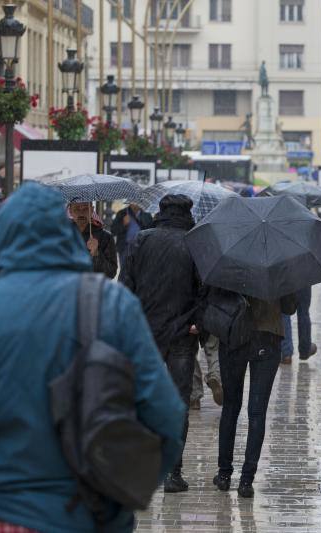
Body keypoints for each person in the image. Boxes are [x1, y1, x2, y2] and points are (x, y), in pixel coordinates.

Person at [0, 182, 185, 531]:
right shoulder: (111, 307)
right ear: (63, 236)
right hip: (86, 516)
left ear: (2, 242)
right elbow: (166, 418)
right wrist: (119, 496)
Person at [121, 194, 202, 493]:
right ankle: (173, 473)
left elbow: (124, 287)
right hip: (182, 333)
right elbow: (204, 289)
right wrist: (197, 323)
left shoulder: (141, 240)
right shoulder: (195, 242)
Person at [213, 292, 298, 498]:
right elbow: (289, 307)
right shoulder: (279, 263)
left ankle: (224, 475)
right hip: (267, 335)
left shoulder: (229, 261)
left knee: (231, 407)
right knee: (257, 412)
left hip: (234, 334)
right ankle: (246, 480)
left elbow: (215, 298)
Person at [69, 202, 117, 279]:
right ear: (70, 211)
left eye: (85, 208)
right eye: (77, 209)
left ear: (92, 210)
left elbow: (111, 273)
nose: (81, 213)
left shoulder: (105, 237)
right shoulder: (61, 236)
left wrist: (96, 254)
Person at [111, 203, 153, 276]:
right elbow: (113, 230)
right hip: (125, 248)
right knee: (124, 273)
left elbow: (151, 231)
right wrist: (123, 224)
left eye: (138, 201)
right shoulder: (122, 213)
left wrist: (141, 220)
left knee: (139, 273)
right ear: (130, 202)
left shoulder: (146, 215)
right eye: (134, 201)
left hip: (141, 248)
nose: (136, 203)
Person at [280, 286, 316, 364]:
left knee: (284, 312)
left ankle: (286, 353)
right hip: (303, 278)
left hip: (284, 279)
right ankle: (305, 350)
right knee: (303, 312)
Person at [190, 334, 224, 409]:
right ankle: (215, 376)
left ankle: (194, 397)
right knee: (214, 350)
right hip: (210, 323)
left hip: (188, 324)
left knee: (189, 352)